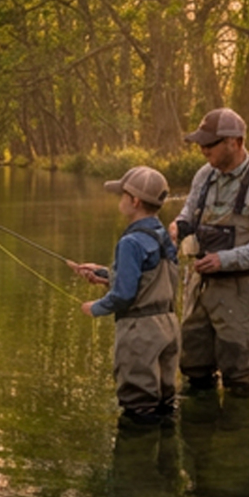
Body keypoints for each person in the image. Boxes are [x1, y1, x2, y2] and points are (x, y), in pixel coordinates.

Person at [171, 108, 249, 397]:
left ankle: (239, 435)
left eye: (209, 144)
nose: (202, 149)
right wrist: (179, 226)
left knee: (239, 374)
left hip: (240, 290)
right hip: (197, 286)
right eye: (201, 143)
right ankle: (198, 434)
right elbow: (189, 210)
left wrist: (225, 260)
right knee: (194, 367)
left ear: (234, 142)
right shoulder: (204, 175)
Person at [69, 165, 181, 427]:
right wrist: (105, 273)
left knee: (138, 408)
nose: (119, 200)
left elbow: (123, 295)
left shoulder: (130, 242)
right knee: (165, 403)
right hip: (168, 327)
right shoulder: (163, 235)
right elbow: (150, 275)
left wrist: (94, 308)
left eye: (122, 195)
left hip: (140, 333)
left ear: (135, 201)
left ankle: (136, 463)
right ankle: (166, 462)